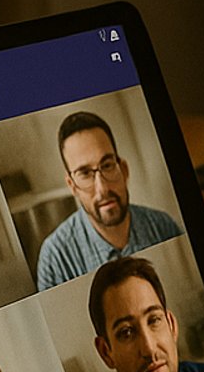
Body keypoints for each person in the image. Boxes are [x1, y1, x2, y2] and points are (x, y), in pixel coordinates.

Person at [35, 111, 184, 290]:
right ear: (72, 185)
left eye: (107, 165)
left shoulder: (163, 226)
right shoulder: (55, 258)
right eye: (85, 173)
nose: (102, 188)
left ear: (124, 170)